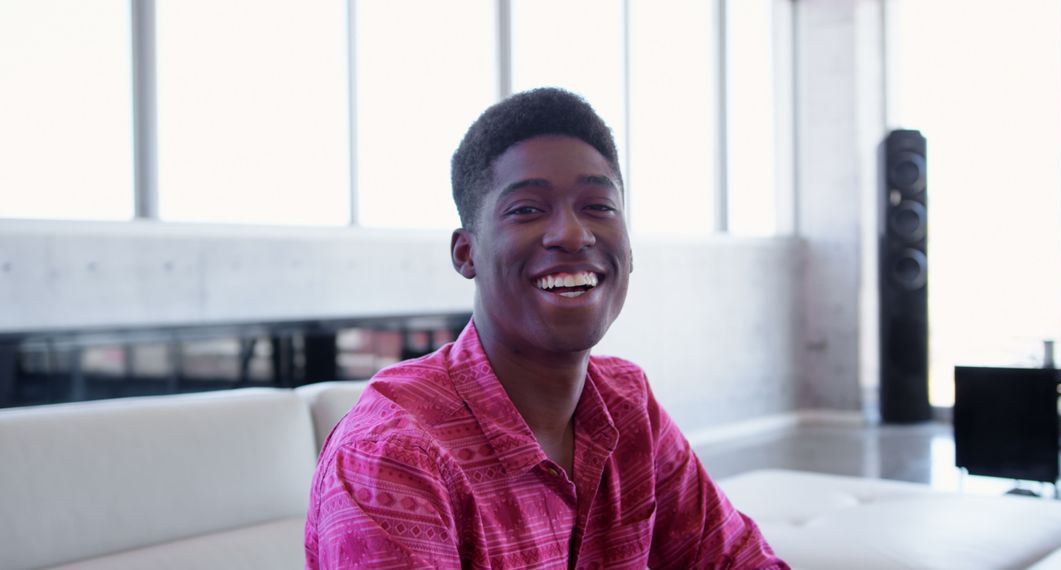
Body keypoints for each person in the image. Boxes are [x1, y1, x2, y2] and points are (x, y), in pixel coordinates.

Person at [305, 87, 787, 569]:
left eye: (599, 206)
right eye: (528, 210)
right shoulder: (392, 455)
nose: (574, 234)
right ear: (465, 253)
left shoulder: (627, 405)